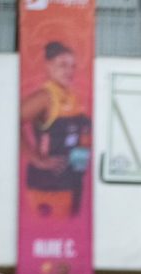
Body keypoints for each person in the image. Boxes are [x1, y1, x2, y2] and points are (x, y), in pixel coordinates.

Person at [20, 41, 91, 219]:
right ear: (48, 66)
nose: (69, 71)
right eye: (62, 65)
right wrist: (35, 159)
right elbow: (11, 120)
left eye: (72, 66)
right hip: (49, 185)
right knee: (52, 232)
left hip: (71, 182)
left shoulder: (71, 96)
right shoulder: (44, 97)